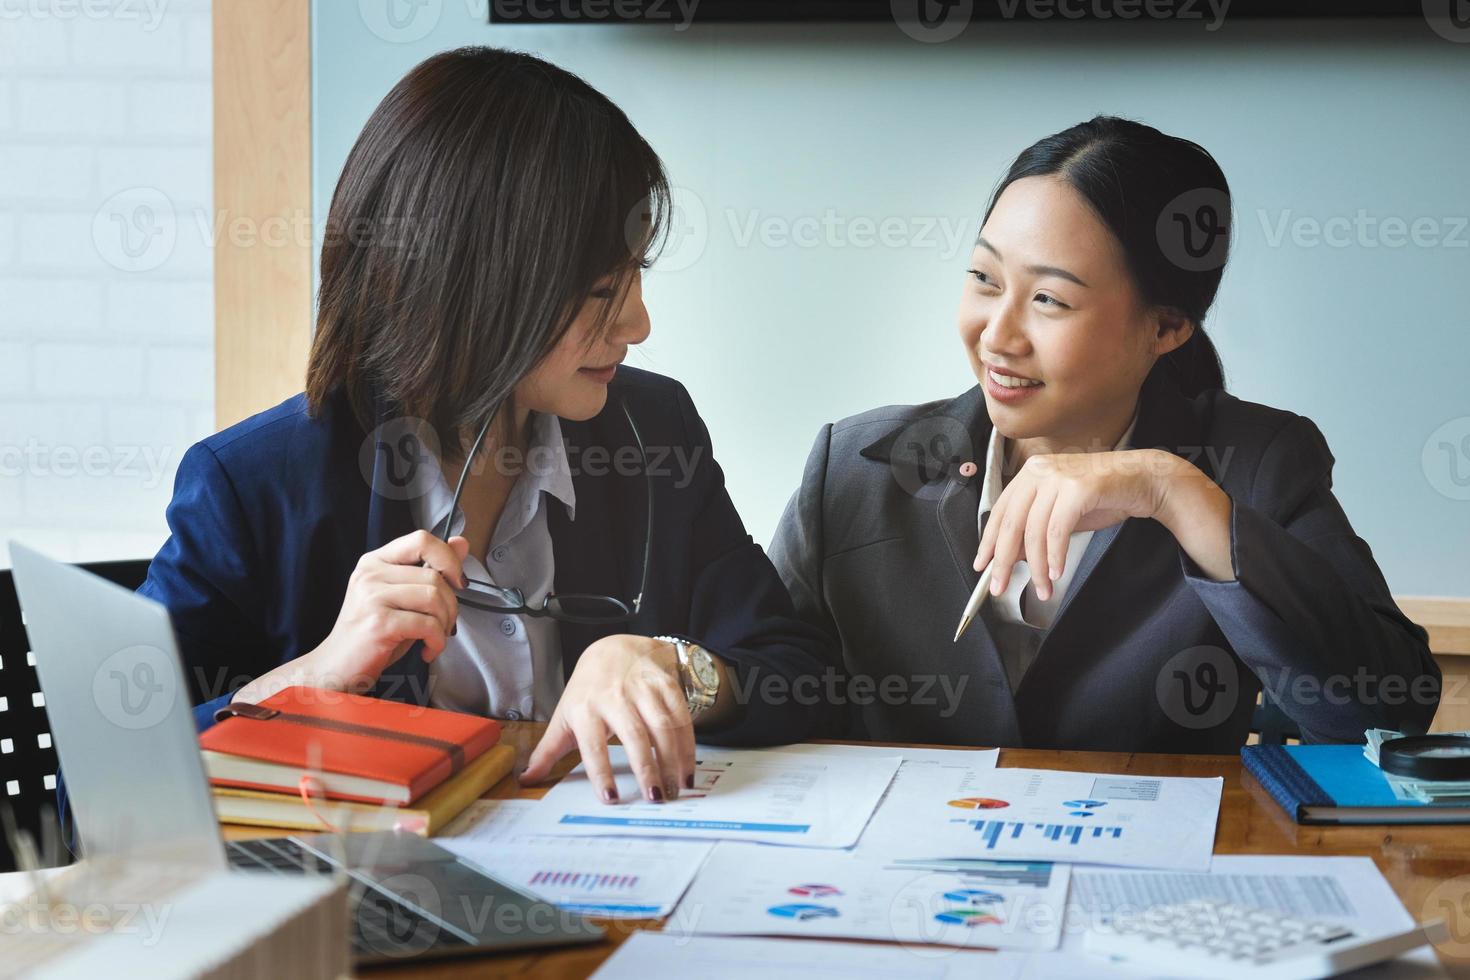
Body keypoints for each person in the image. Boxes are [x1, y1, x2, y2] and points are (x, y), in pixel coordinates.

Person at [124, 46, 835, 812]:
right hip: (375, 913)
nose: (638, 323)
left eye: (636, 279)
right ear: (476, 288)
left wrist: (669, 666)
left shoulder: (651, 431)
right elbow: (102, 789)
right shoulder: (254, 485)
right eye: (602, 291)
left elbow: (799, 671)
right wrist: (316, 677)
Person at [770, 116, 1440, 751]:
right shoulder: (855, 469)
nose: (998, 336)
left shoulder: (1255, 463)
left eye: (1049, 301)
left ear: (1166, 327)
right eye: (983, 279)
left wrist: (1172, 492)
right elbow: (769, 685)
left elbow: (1388, 712)